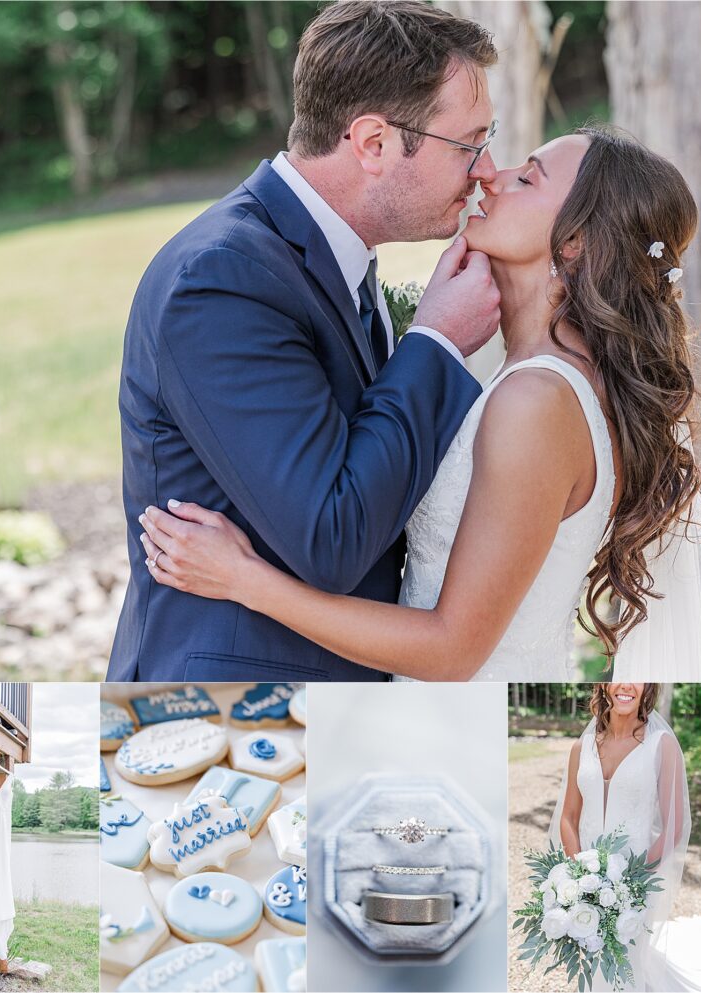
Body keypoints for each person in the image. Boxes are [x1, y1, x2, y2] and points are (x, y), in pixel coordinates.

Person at [138, 125, 701, 681]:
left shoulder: (538, 400)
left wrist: (245, 579)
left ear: (577, 241)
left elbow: (452, 648)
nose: (491, 175)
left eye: (527, 177)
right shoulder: (552, 382)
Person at [107, 1, 501, 681]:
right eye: (469, 143)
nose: (487, 168)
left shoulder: (331, 257)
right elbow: (332, 536)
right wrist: (436, 339)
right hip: (234, 703)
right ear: (373, 143)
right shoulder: (223, 280)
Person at [549, 683, 691, 991]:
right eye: (618, 678)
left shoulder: (661, 745)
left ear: (648, 687)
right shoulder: (582, 747)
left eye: (637, 679)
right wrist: (577, 877)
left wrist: (634, 884)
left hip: (636, 881)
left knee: (627, 965)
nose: (626, 685)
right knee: (592, 955)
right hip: (585, 881)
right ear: (604, 684)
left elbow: (674, 824)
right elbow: (569, 817)